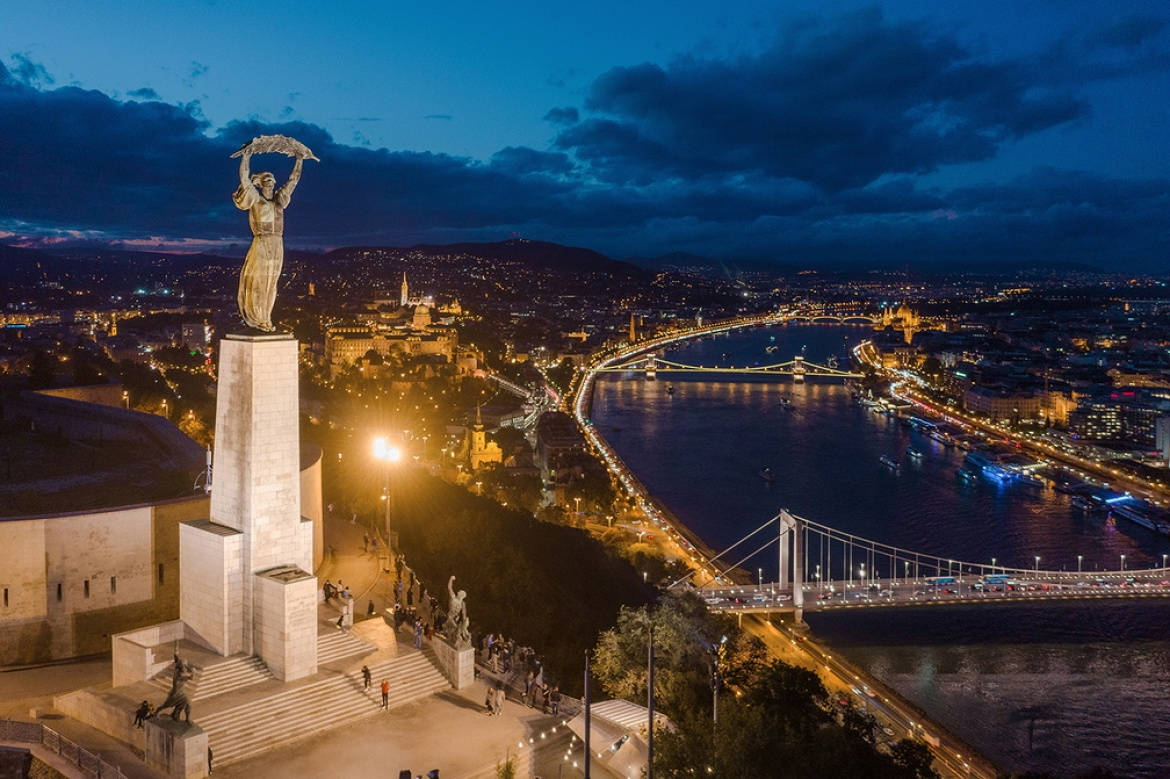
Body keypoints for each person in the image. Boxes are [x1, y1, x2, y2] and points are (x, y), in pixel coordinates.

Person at [232, 146, 304, 332]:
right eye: (267, 181)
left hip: (277, 243)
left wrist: (299, 159)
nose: (270, 184)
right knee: (258, 280)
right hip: (262, 241)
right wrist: (246, 158)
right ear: (262, 184)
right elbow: (244, 179)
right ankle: (256, 318)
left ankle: (266, 317)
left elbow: (293, 180)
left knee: (271, 283)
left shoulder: (279, 201)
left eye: (272, 181)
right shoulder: (256, 199)